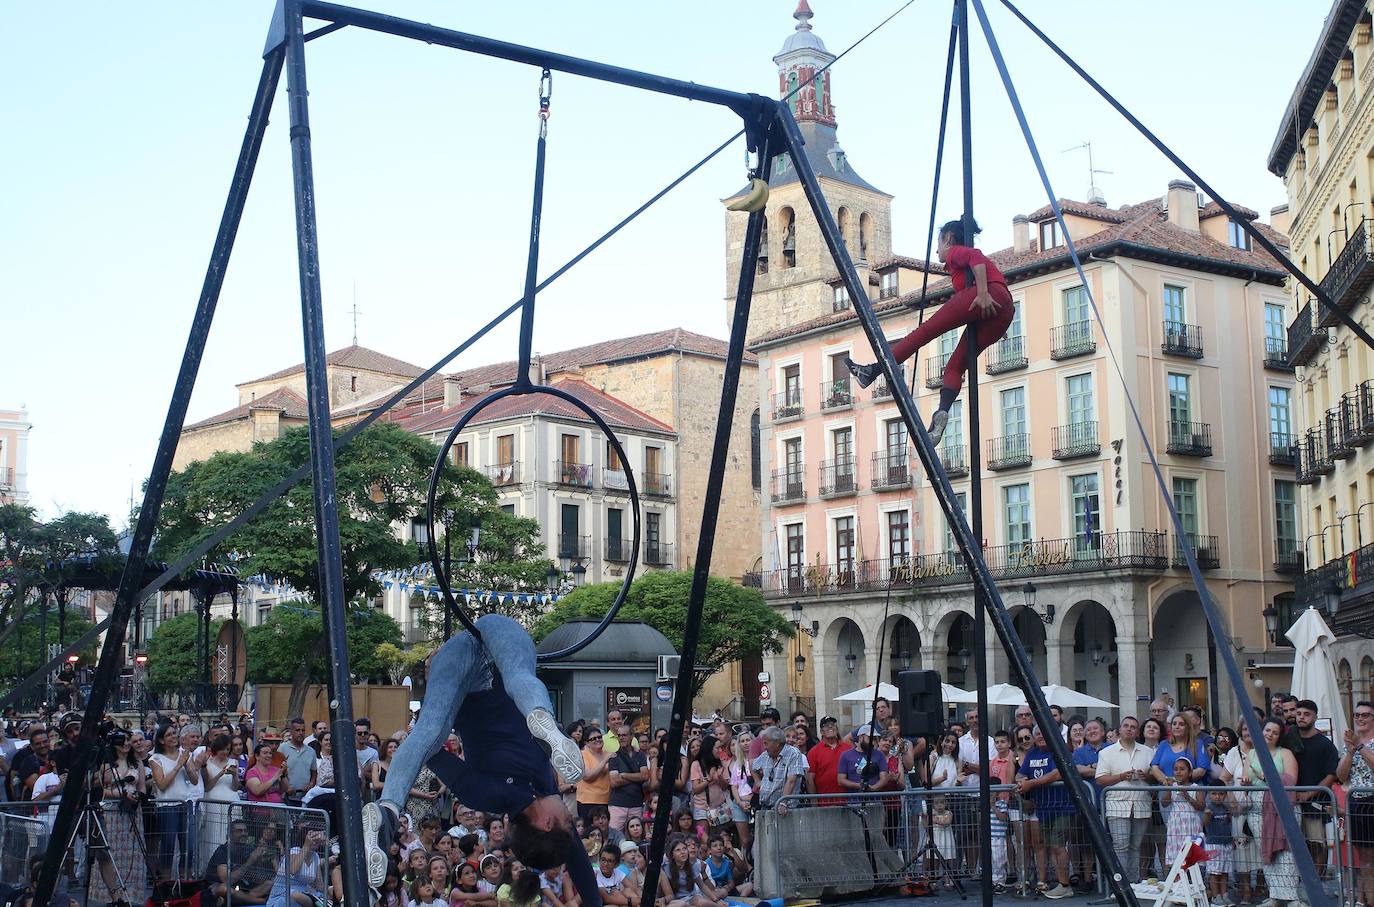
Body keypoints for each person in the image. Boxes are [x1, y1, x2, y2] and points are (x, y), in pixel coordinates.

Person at [363, 614, 594, 902]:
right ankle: (387, 810)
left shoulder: (533, 787)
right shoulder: (487, 796)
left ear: (547, 823)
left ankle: (540, 714)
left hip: (488, 653)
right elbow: (432, 756)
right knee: (429, 732)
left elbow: (574, 852)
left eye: (567, 820)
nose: (570, 816)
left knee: (517, 678)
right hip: (467, 674)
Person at [844, 217, 1014, 444]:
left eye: (939, 243)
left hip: (986, 296)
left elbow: (977, 258)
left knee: (923, 333)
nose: (937, 251)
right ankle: (939, 419)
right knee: (955, 366)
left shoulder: (956, 252)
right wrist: (994, 320)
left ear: (949, 239)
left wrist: (982, 294)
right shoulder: (959, 267)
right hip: (1003, 311)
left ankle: (873, 371)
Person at [1240, 717, 1300, 907]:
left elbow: (1291, 780)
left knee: (1287, 854)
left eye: (1275, 732)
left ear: (1279, 736)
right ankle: (1274, 895)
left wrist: (1265, 776)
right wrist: (1246, 783)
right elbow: (1244, 777)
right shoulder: (1252, 753)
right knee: (1266, 852)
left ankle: (1292, 897)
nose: (1270, 735)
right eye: (1267, 730)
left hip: (1282, 807)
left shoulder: (1286, 753)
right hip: (1258, 807)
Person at [1016, 726, 1073, 898]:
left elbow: (1057, 774)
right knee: (1052, 846)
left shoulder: (1058, 750)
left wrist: (1031, 784)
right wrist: (1023, 782)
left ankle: (1065, 884)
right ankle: (1061, 883)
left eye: (1043, 732)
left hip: (1062, 806)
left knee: (1058, 845)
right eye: (1037, 733)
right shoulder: (1032, 753)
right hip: (1043, 808)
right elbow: (1020, 775)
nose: (1040, 736)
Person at [1096, 716, 1154, 884]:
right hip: (1117, 804)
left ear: (1137, 732)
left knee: (1136, 846)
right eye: (1126, 726)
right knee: (1120, 846)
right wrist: (1121, 776)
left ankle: (1133, 883)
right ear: (1119, 730)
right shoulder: (1106, 753)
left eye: (1133, 727)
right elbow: (1100, 779)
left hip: (1141, 803)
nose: (1129, 729)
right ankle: (1121, 885)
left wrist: (1146, 776)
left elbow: (1154, 778)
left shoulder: (1148, 751)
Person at [1291, 699, 1338, 870]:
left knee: (1317, 843)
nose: (1301, 717)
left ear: (1315, 717)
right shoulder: (1289, 740)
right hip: (1292, 801)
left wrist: (1310, 793)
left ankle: (1319, 882)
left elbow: (1332, 774)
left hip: (1316, 803)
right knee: (1297, 844)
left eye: (1306, 714)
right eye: (1299, 714)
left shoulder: (1325, 744)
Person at [1340, 701, 1374, 907]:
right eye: (1357, 715)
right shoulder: (1351, 743)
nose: (1360, 719)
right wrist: (1350, 751)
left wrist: (1360, 747)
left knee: (1370, 856)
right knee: (1362, 854)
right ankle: (1363, 898)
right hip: (1356, 800)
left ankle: (1368, 899)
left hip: (1372, 799)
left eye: (1365, 715)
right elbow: (1341, 775)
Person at [751, 725, 804, 812]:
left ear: (777, 743)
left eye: (766, 743)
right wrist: (758, 782)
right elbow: (753, 767)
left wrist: (783, 802)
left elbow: (791, 781)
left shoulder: (793, 753)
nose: (764, 747)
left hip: (786, 808)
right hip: (765, 806)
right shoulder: (765, 755)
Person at [1162, 756, 1204, 864]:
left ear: (1190, 773)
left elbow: (1201, 806)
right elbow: (1164, 803)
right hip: (1176, 824)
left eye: (1182, 769)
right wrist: (1169, 788)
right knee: (1176, 854)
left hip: (1192, 823)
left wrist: (1187, 796)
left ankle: (1192, 877)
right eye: (1176, 769)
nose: (1178, 772)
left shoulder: (1196, 787)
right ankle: (1176, 876)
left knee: (1191, 852)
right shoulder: (1173, 786)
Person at [608, 726, 648, 833]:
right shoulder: (614, 757)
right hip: (618, 805)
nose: (621, 738)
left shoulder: (640, 755)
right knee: (614, 836)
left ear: (631, 737)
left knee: (637, 836)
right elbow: (614, 782)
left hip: (636, 804)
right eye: (619, 735)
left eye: (624, 735)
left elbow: (644, 776)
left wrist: (624, 775)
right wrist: (636, 776)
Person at [1150, 715, 1209, 784]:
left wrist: (1178, 781)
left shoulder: (1197, 744)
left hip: (1190, 789)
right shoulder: (1164, 744)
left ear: (1188, 727)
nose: (1177, 727)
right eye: (1174, 724)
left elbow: (1201, 770)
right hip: (1166, 789)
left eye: (1181, 724)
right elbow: (1154, 767)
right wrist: (1165, 781)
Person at [1203, 786, 1237, 906]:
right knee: (1214, 872)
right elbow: (1205, 824)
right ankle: (1215, 897)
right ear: (1209, 795)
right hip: (1213, 844)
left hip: (1226, 843)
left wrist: (1231, 839)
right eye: (1214, 793)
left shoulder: (1225, 808)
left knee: (1224, 871)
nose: (1217, 796)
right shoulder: (1209, 808)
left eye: (1221, 794)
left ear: (1225, 795)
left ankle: (1225, 895)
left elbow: (1228, 824)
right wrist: (1207, 815)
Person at [805, 715, 851, 801]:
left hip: (848, 802)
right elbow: (810, 779)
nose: (830, 727)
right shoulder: (814, 752)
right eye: (826, 725)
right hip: (824, 803)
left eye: (832, 724)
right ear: (821, 732)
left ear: (836, 729)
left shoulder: (848, 749)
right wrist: (814, 801)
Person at [278, 717, 318, 807]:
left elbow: (314, 772)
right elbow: (277, 771)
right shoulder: (282, 748)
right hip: (287, 796)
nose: (301, 733)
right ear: (291, 731)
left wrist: (311, 784)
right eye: (297, 730)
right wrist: (286, 787)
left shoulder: (311, 751)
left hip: (305, 796)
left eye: (303, 730)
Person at [577, 727, 613, 822]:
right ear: (587, 743)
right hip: (588, 801)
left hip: (606, 800)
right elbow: (587, 776)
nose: (598, 740)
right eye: (593, 739)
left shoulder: (608, 753)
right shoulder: (582, 754)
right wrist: (605, 760)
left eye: (599, 737)